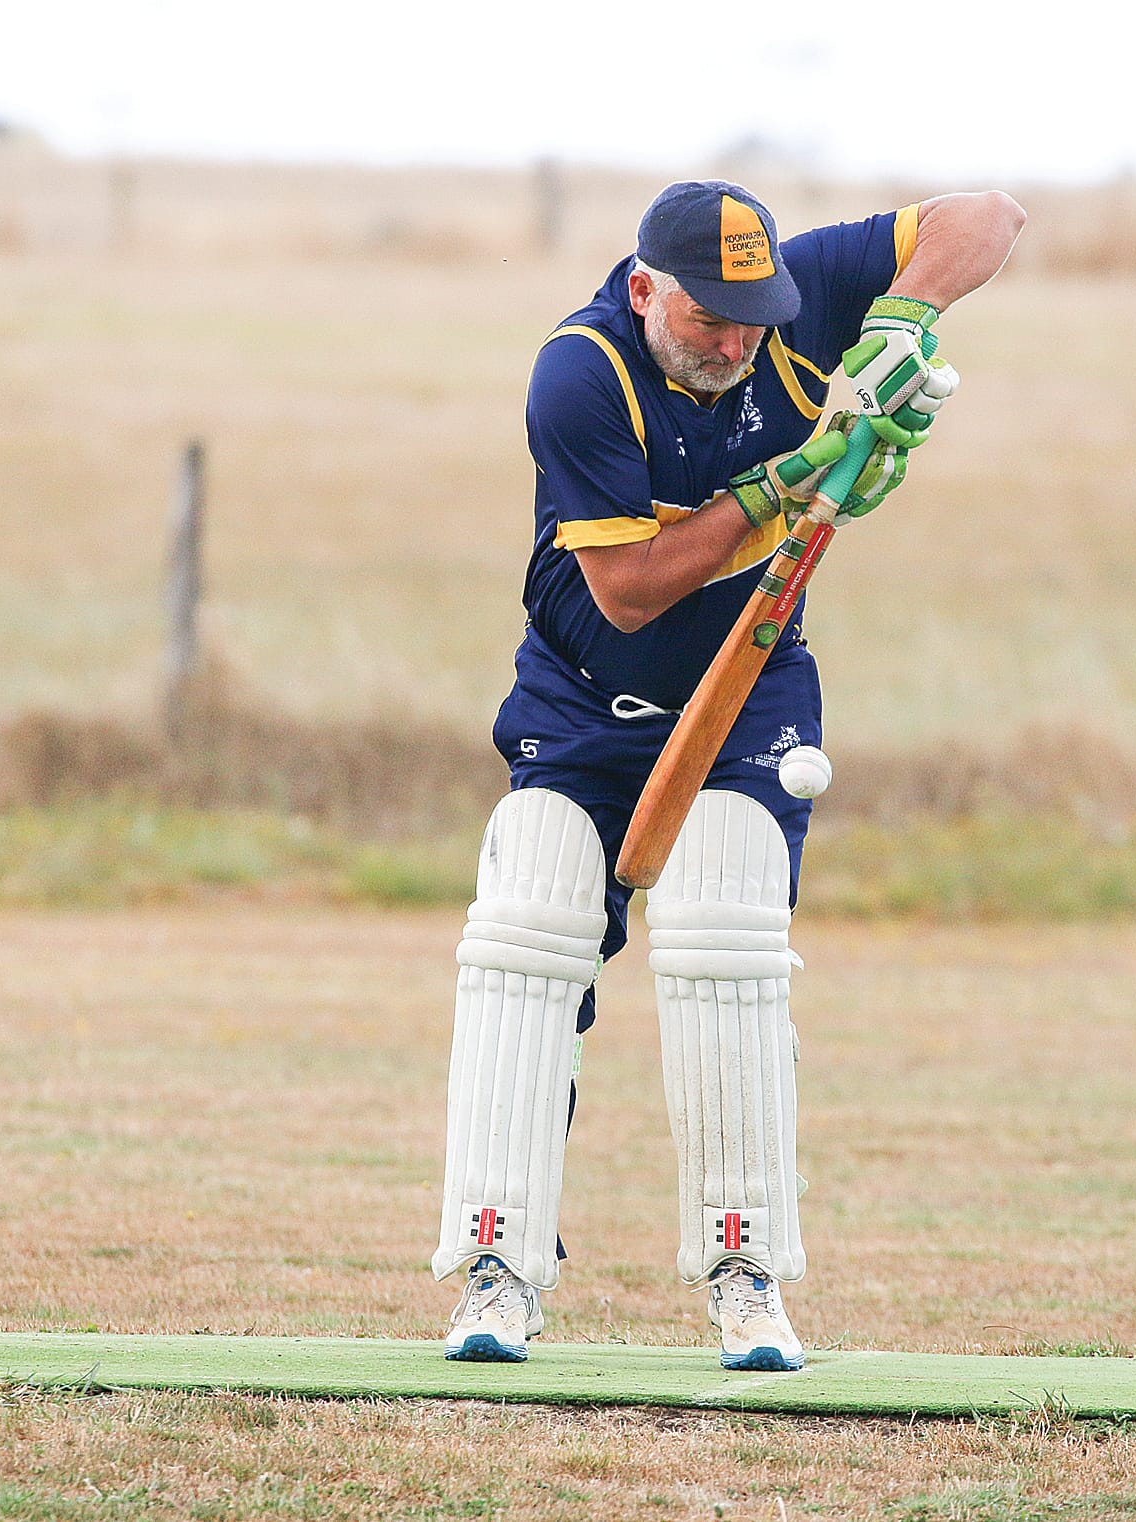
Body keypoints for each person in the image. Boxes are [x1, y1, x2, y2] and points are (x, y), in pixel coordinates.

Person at [432, 179, 1025, 1369]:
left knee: (721, 934)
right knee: (527, 926)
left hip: (749, 678)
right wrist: (794, 481)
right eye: (707, 319)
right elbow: (633, 586)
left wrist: (899, 323)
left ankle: (745, 1274)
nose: (733, 343)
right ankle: (497, 1268)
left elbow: (987, 216)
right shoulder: (581, 372)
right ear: (644, 288)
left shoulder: (790, 299)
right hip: (581, 691)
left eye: (751, 319)